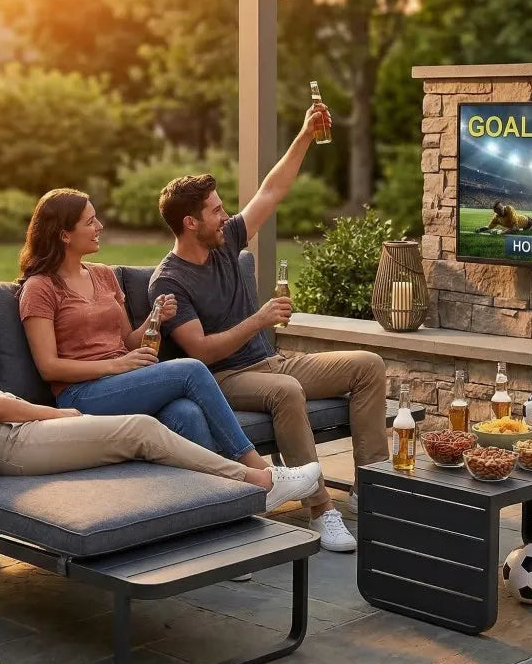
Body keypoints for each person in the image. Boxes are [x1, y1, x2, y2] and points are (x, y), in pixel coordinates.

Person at [0, 264, 318, 508]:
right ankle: (259, 480)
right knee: (139, 430)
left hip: (18, 428)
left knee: (181, 415)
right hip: (10, 439)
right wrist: (63, 414)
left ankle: (220, 511)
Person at [148, 101, 388, 553]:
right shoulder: (170, 280)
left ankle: (373, 491)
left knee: (367, 365)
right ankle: (323, 510)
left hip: (272, 361)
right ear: (189, 222)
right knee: (287, 392)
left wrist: (304, 134)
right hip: (225, 378)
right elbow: (200, 353)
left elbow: (271, 191)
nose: (226, 216)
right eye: (216, 211)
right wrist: (258, 319)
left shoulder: (224, 242)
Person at [15, 189, 320, 510]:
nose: (100, 226)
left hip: (121, 384)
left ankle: (220, 506)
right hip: (80, 395)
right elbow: (49, 367)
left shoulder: (103, 276)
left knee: (186, 414)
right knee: (190, 369)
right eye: (90, 222)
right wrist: (118, 366)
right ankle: (263, 473)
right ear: (64, 234)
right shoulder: (40, 288)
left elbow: (127, 343)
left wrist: (154, 319)